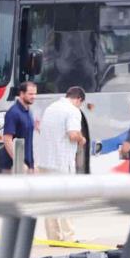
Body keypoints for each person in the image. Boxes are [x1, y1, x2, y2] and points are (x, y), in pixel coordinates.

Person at [36, 86, 87, 241]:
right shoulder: (73, 111)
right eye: (81, 104)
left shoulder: (51, 108)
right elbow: (72, 134)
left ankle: (53, 237)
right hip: (62, 162)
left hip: (45, 162)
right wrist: (81, 139)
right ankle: (69, 237)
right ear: (79, 99)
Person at [2, 81, 37, 173]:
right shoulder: (13, 113)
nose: (34, 97)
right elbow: (7, 139)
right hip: (13, 166)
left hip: (27, 165)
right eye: (30, 94)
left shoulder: (29, 111)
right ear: (21, 94)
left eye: (35, 94)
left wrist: (32, 164)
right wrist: (19, 161)